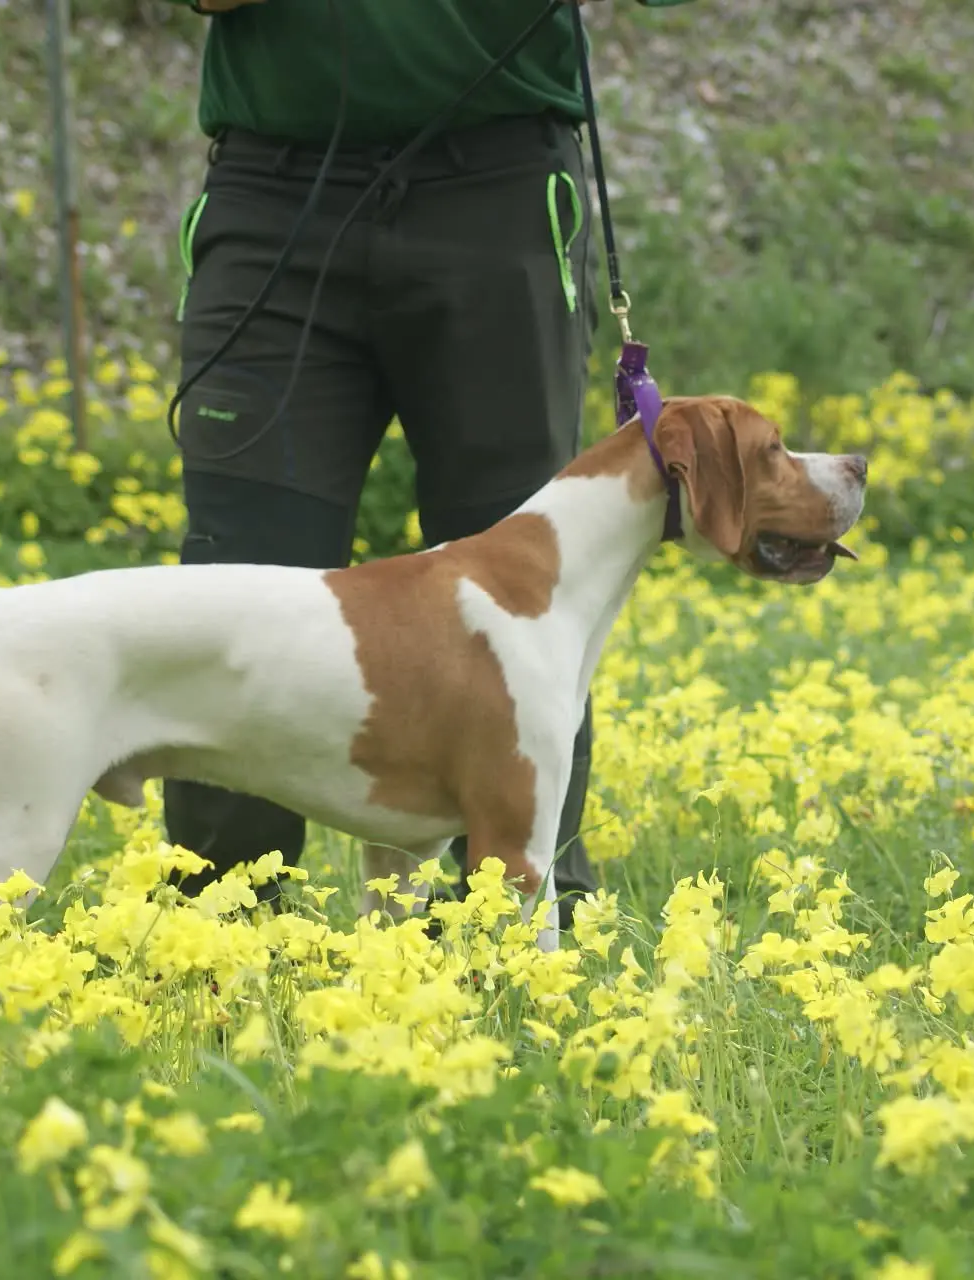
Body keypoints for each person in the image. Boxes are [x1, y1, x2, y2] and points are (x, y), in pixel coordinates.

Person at [160, 0, 690, 930]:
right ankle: (219, 932)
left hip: (498, 186)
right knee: (241, 574)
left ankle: (526, 934)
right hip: (273, 191)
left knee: (532, 574)